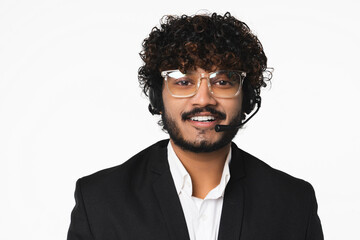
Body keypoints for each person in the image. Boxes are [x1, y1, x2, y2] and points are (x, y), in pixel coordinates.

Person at [67, 12, 324, 240]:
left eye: (223, 82)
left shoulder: (293, 203)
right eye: (183, 82)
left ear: (245, 96)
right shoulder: (99, 200)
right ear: (158, 97)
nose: (203, 99)